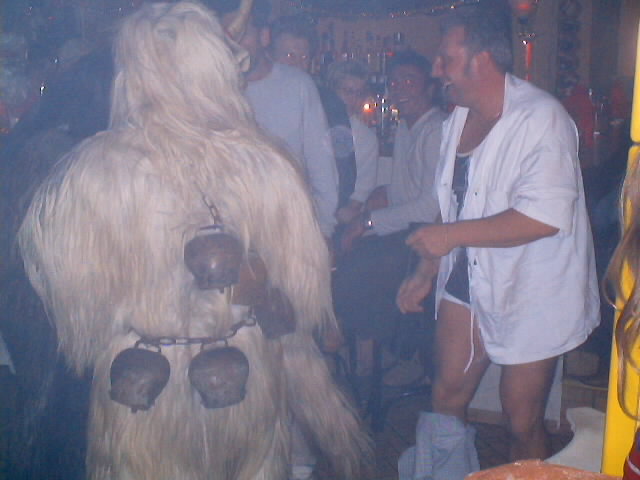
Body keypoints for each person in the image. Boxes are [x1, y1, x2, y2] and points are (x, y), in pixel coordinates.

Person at [397, 7, 600, 463]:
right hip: (467, 274)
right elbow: (450, 203)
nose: (436, 70)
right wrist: (427, 269)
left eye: (446, 59)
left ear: (481, 60)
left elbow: (544, 217)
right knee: (446, 395)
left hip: (533, 284)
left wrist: (449, 237)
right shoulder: (456, 119)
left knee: (521, 418)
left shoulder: (541, 118)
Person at [333, 50, 446, 378]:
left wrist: (367, 221)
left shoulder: (436, 129)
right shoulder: (408, 128)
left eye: (409, 81)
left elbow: (431, 206)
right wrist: (370, 209)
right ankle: (361, 347)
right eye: (394, 82)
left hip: (431, 237)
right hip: (409, 228)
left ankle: (366, 356)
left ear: (430, 88)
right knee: (346, 248)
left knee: (361, 263)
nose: (400, 88)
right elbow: (400, 192)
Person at [210, 0, 338, 240]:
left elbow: (322, 166)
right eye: (226, 36)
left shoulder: (298, 86)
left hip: (290, 230)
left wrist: (323, 231)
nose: (233, 44)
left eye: (242, 34)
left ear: (264, 36)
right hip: (232, 235)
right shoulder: (213, 93)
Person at [326, 60, 379, 227]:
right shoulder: (313, 124)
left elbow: (359, 196)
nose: (354, 99)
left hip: (339, 215)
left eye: (359, 93)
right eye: (348, 91)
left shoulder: (366, 138)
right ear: (332, 90)